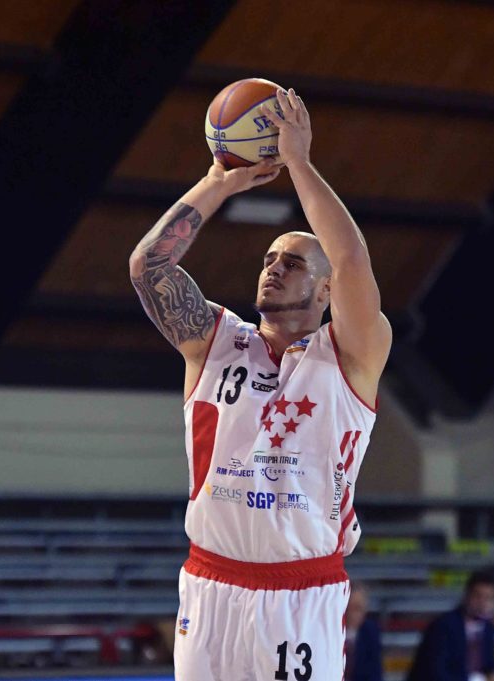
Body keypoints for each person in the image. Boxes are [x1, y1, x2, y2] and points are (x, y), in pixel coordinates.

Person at [129, 87, 391, 681]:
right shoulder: (215, 339)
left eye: (292, 264)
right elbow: (148, 268)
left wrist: (299, 163)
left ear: (326, 291)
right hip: (209, 582)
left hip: (300, 593)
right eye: (270, 259)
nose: (274, 268)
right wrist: (217, 183)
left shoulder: (352, 354)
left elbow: (352, 261)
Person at [406, 571, 494, 681]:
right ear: (466, 596)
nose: (483, 603)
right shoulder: (443, 626)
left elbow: (489, 665)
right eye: (478, 596)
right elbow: (436, 672)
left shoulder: (489, 628)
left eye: (489, 598)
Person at [346, 581, 383, 681]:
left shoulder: (371, 633)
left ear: (365, 610)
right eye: (348, 607)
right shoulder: (331, 632)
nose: (351, 614)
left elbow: (375, 673)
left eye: (357, 608)